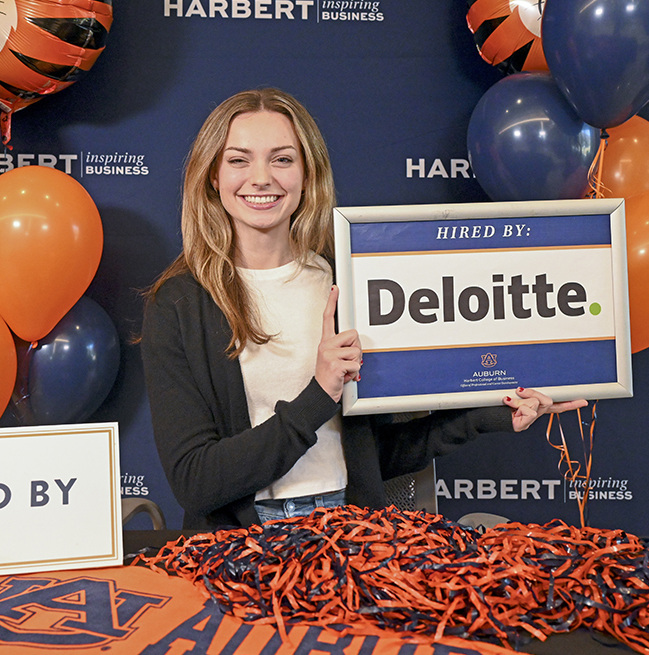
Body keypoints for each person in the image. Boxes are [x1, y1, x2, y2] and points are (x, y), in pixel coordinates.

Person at [140, 87, 587, 531]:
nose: (261, 178)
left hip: (351, 527)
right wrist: (320, 394)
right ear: (213, 176)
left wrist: (492, 414)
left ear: (307, 173)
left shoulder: (354, 281)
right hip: (242, 543)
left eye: (282, 159)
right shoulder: (179, 304)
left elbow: (377, 453)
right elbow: (197, 482)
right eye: (239, 160)